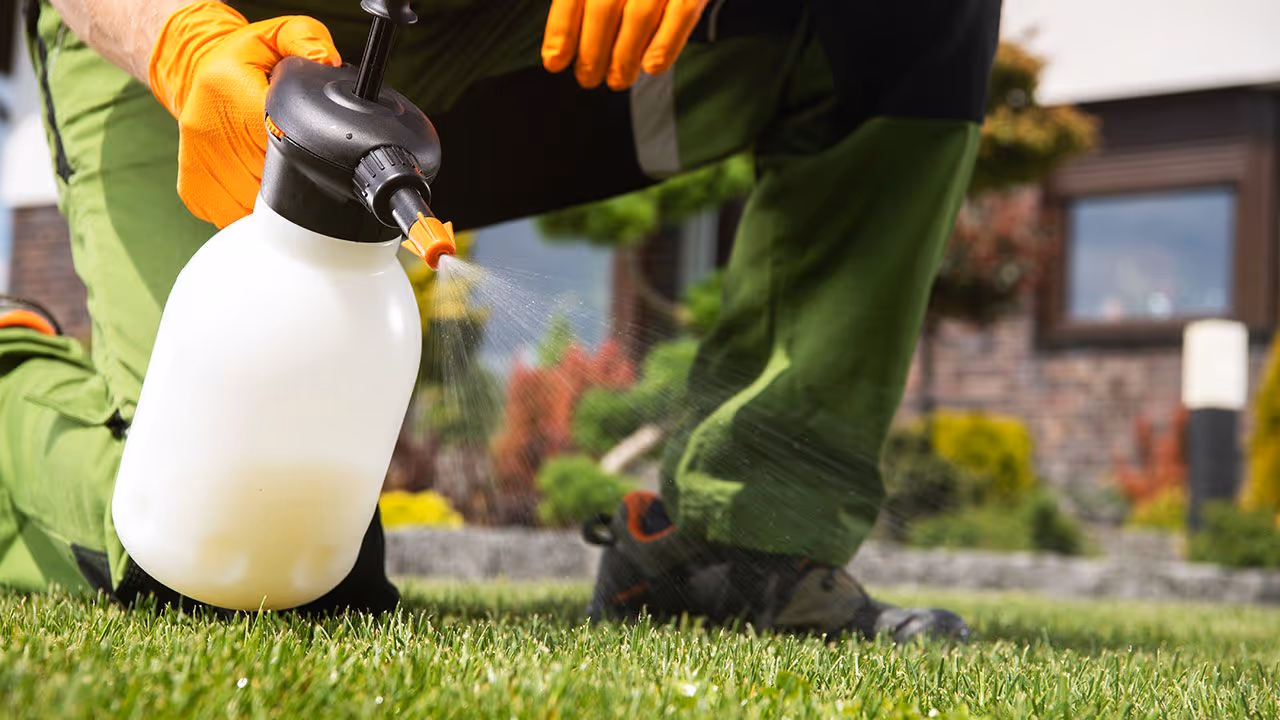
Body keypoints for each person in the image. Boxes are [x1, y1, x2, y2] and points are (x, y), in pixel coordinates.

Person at [1, 0, 1000, 641]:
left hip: (525, 37)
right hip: (216, 45)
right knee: (230, 564)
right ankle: (13, 369)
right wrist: (176, 45)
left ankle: (741, 544)